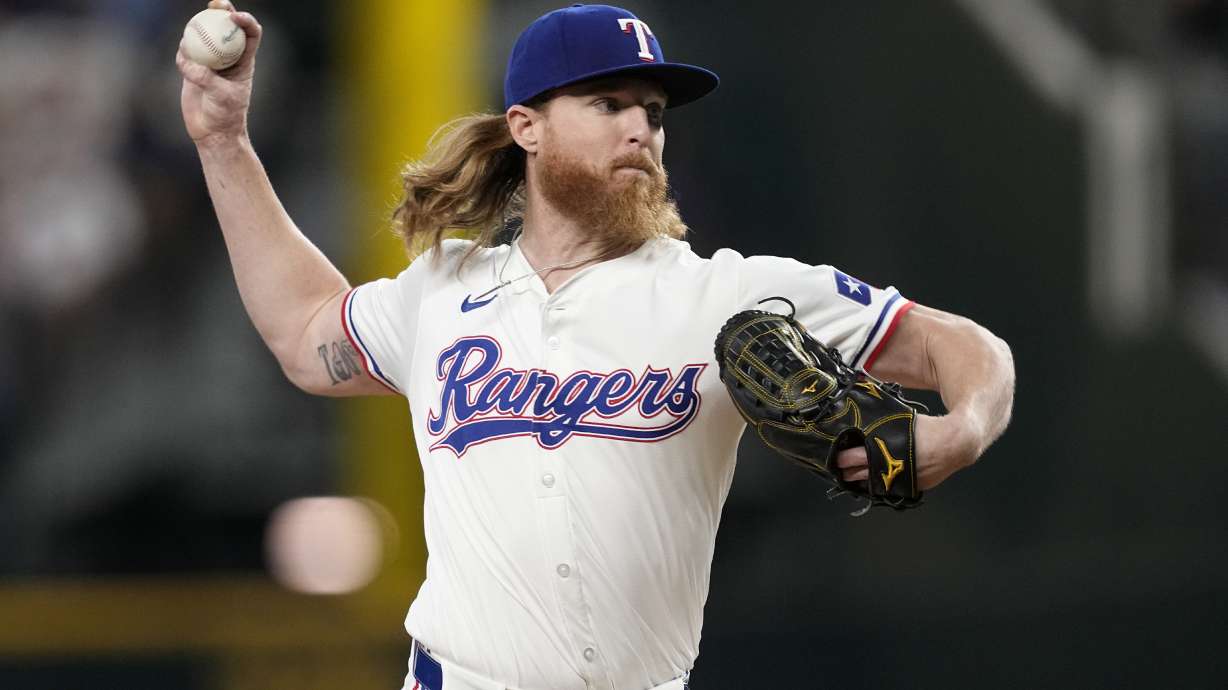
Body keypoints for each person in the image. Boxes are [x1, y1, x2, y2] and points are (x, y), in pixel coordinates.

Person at [177, 3, 1016, 689]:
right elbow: (304, 332)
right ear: (526, 126)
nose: (640, 130)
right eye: (608, 104)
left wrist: (965, 426)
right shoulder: (443, 291)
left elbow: (966, 346)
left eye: (652, 112)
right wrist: (224, 142)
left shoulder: (723, 292)